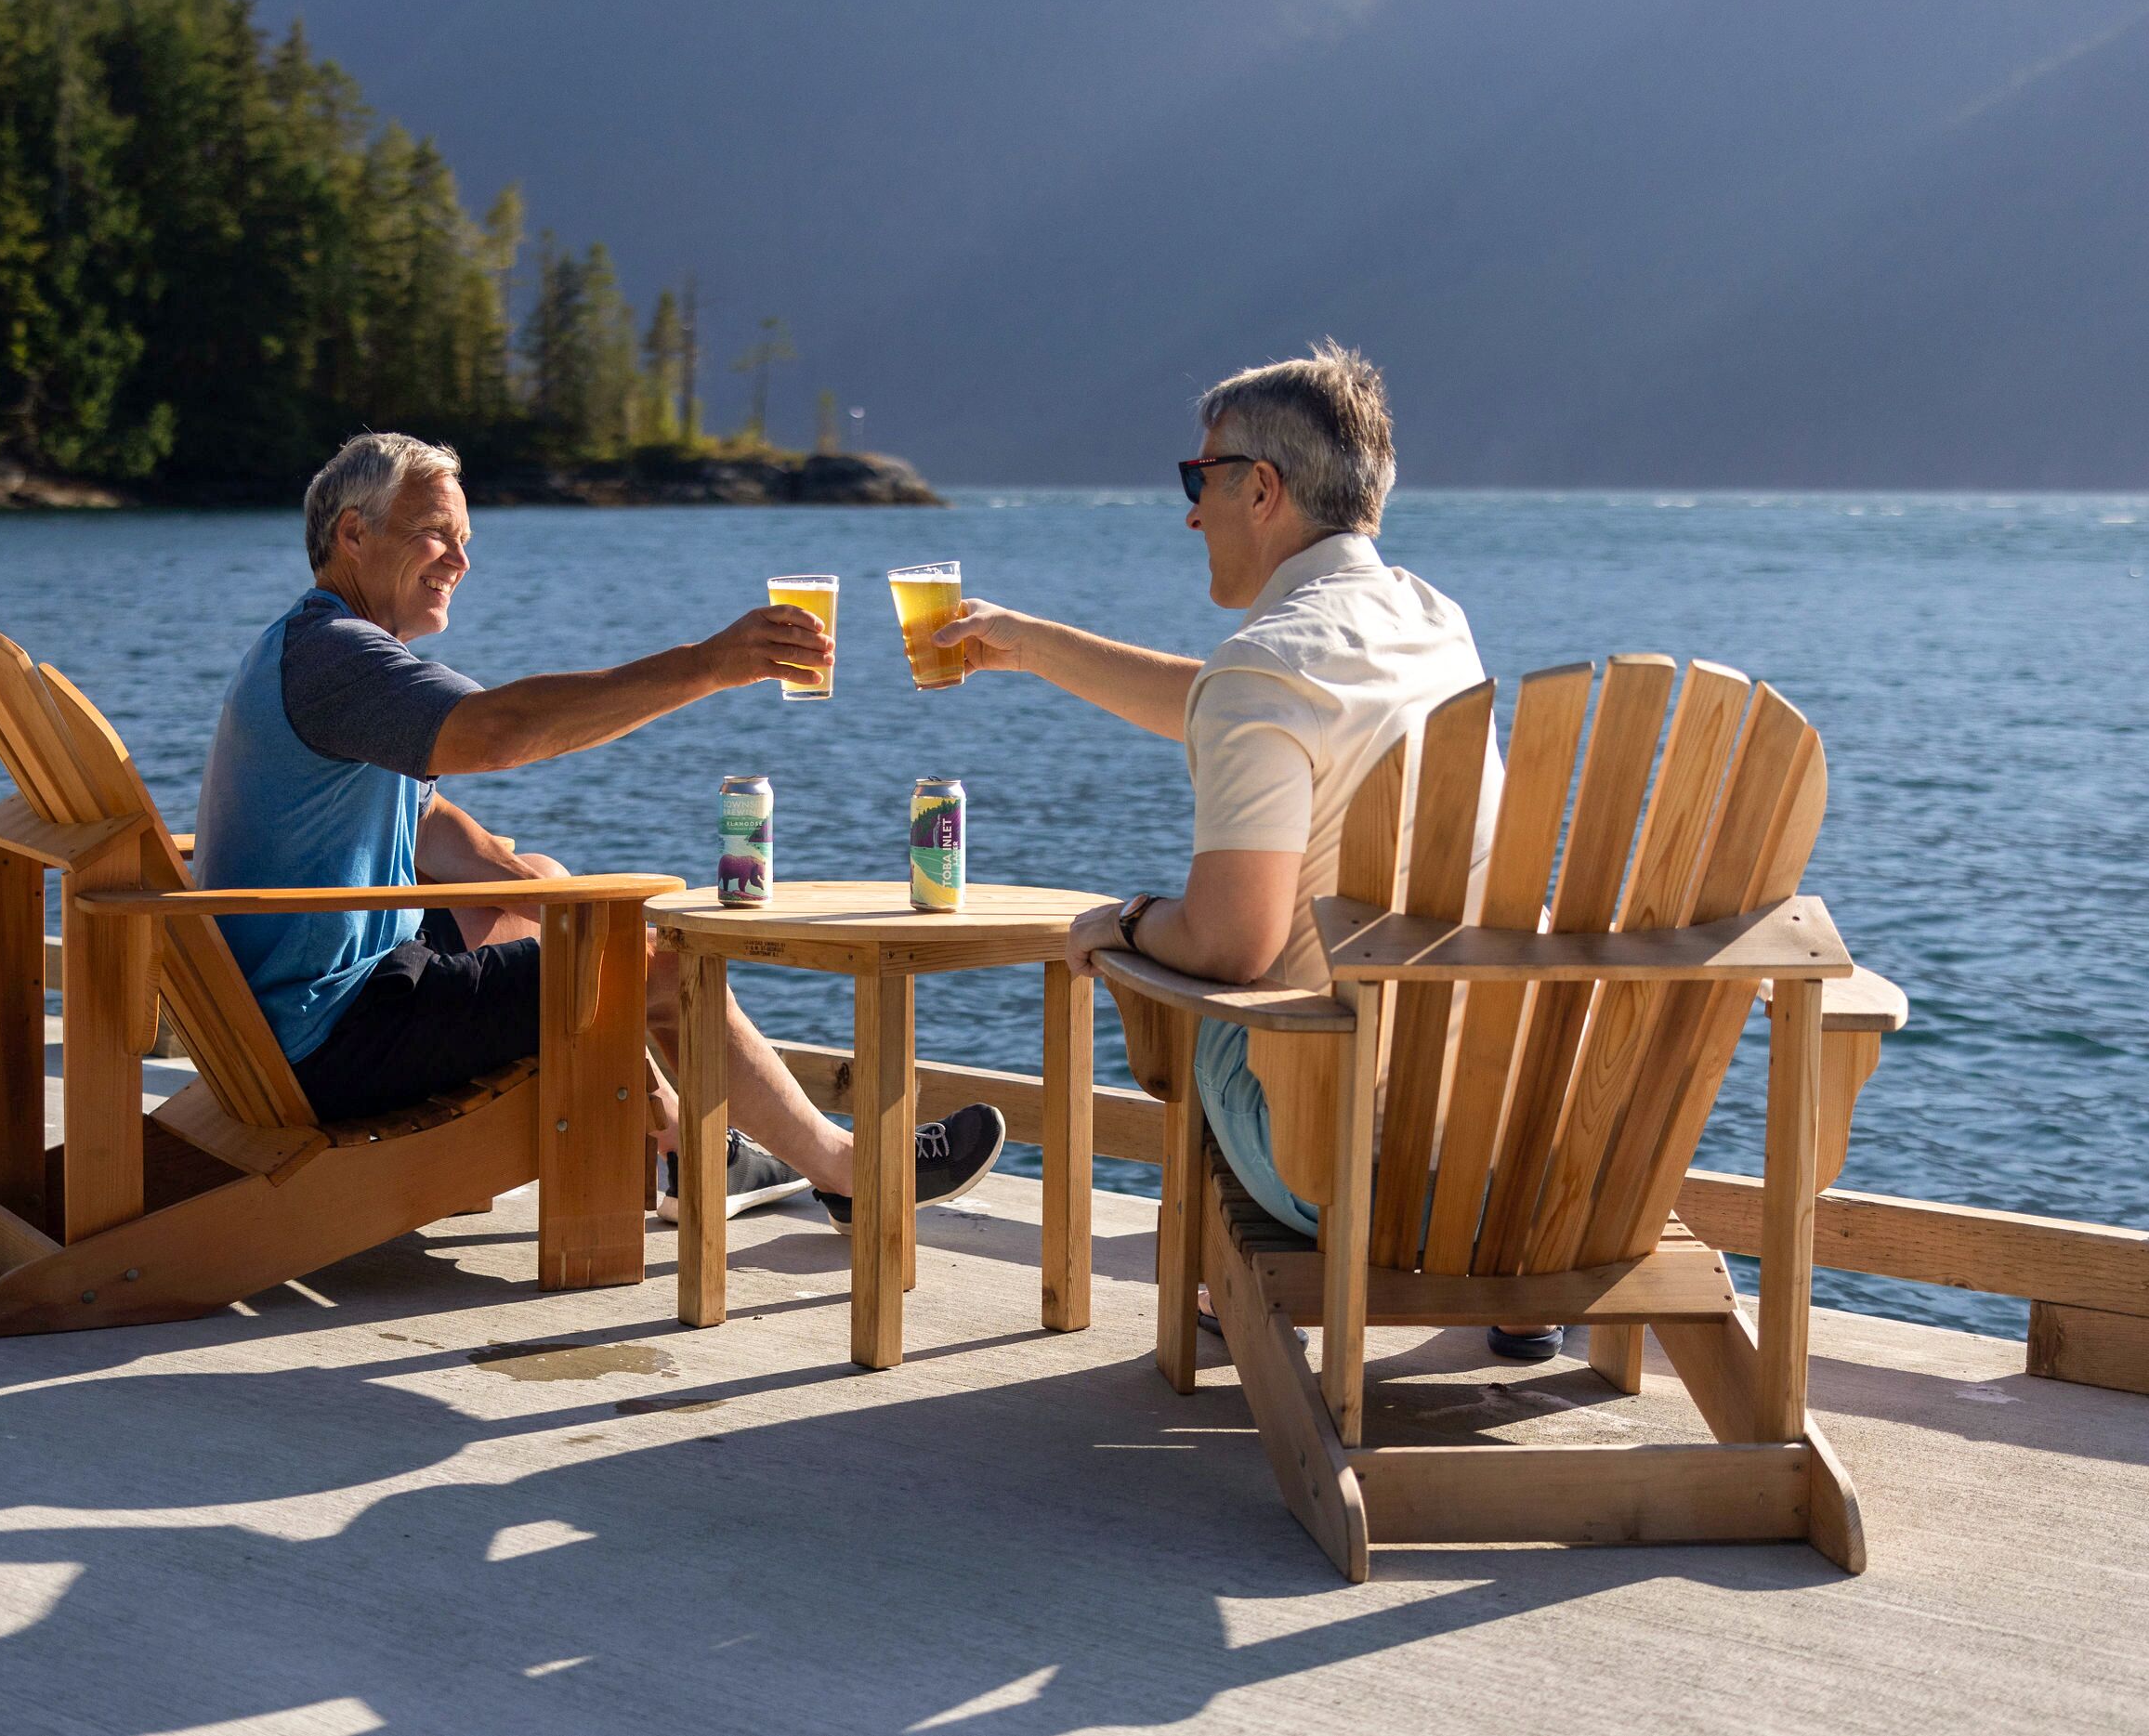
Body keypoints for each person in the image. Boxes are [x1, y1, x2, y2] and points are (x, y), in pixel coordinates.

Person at [193, 430, 1006, 1228]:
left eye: (465, 539)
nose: (460, 559)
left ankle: (689, 1149)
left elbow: (424, 816)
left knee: (542, 884)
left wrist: (540, 891)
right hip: (330, 1030)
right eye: (436, 532)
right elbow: (497, 729)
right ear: (353, 533)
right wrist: (707, 665)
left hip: (290, 1002)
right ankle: (849, 1168)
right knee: (649, 962)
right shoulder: (338, 656)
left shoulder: (309, 645)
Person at [934, 343, 1559, 1362]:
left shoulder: (1264, 668)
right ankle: (1522, 1302)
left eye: (1200, 478)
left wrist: (1124, 925)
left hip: (1342, 1160)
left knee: (1179, 990)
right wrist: (1035, 645)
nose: (1190, 511)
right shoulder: (1431, 623)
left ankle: (1230, 1297)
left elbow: (1231, 943)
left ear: (1259, 488)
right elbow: (1247, 705)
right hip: (1502, 1145)